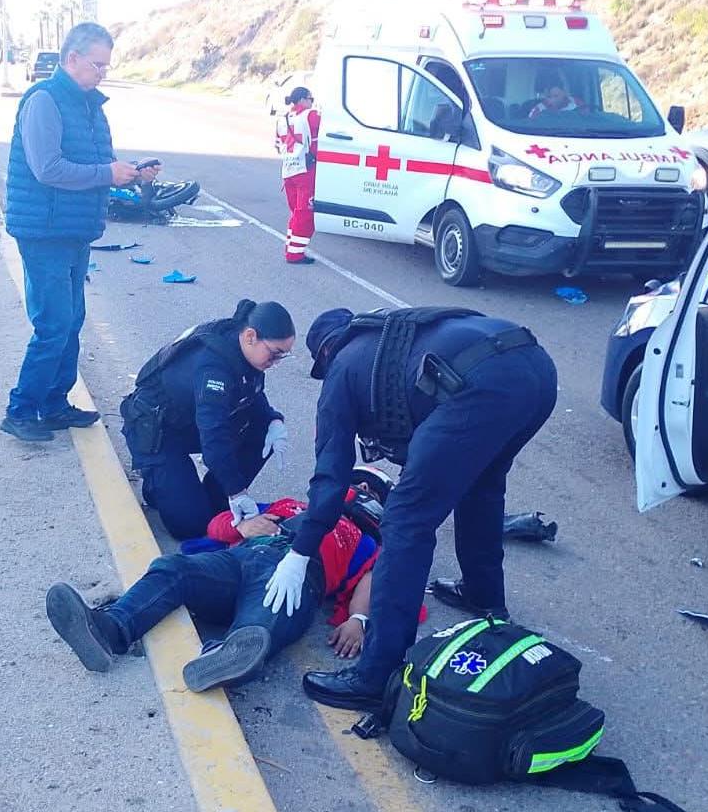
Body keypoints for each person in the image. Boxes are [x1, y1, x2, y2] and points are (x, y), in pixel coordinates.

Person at [278, 306, 557, 711]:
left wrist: (300, 550)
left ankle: (375, 676)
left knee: (406, 521)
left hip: (483, 386)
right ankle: (484, 597)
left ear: (324, 353)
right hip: (536, 368)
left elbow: (331, 474)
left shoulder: (341, 367)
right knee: (483, 484)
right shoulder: (387, 335)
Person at [45, 491, 415, 691]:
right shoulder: (290, 506)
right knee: (174, 569)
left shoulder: (366, 541)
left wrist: (358, 618)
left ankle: (227, 656)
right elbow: (221, 524)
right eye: (360, 485)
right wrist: (244, 526)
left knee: (263, 622)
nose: (362, 491)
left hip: (297, 579)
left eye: (370, 491)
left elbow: (375, 579)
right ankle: (110, 630)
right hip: (240, 559)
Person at [1, 22, 161, 443]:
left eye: (106, 66)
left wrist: (130, 173)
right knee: (53, 324)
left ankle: (55, 403)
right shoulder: (44, 101)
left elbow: (95, 166)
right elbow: (48, 168)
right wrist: (107, 173)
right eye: (97, 65)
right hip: (44, 231)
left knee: (72, 320)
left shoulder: (89, 105)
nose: (102, 73)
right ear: (71, 59)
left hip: (74, 230)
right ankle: (21, 410)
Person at [121, 300, 294, 539]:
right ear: (250, 337)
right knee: (191, 527)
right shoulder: (213, 368)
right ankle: (157, 484)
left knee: (265, 431)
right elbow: (214, 436)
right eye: (275, 354)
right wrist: (237, 492)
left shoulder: (242, 348)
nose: (276, 362)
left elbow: (250, 392)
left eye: (283, 355)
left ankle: (214, 495)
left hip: (190, 420)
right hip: (156, 430)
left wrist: (273, 420)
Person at [275, 86, 321, 264]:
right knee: (305, 213)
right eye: (311, 99)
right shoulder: (311, 115)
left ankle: (291, 247)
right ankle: (295, 254)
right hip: (305, 171)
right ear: (302, 99)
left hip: (288, 171)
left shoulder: (282, 119)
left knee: (296, 212)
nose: (312, 103)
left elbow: (278, 145)